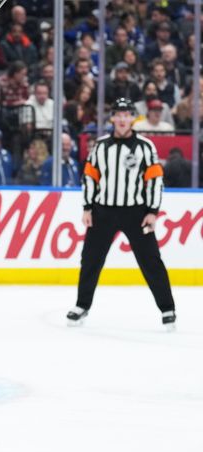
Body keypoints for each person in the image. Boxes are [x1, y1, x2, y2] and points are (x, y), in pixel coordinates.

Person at [67, 98, 176, 330]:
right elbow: (90, 178)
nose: (123, 119)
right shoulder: (100, 146)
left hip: (136, 213)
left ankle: (168, 309)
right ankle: (82, 305)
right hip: (103, 211)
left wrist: (152, 211)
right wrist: (87, 207)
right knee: (90, 260)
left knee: (151, 260)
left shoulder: (145, 146)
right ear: (112, 118)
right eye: (118, 114)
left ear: (133, 118)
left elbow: (155, 180)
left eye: (127, 115)